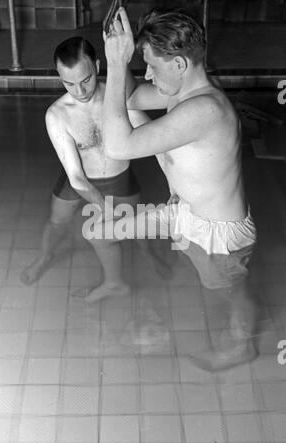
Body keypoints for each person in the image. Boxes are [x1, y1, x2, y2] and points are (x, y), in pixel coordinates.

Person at [93, 7, 259, 369]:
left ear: (180, 64)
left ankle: (242, 345)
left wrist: (116, 64)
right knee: (100, 232)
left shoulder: (206, 110)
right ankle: (125, 279)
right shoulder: (181, 93)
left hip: (218, 238)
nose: (147, 73)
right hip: (182, 212)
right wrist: (118, 55)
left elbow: (118, 147)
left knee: (233, 294)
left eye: (151, 64)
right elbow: (131, 99)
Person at [20, 36, 164, 302]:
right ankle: (45, 256)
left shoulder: (116, 93)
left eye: (85, 80)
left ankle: (147, 253)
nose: (80, 90)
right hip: (79, 181)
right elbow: (75, 176)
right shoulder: (57, 114)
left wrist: (175, 180)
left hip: (119, 176)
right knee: (57, 221)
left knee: (137, 224)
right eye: (69, 83)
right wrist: (102, 207)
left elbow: (153, 138)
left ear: (97, 65)